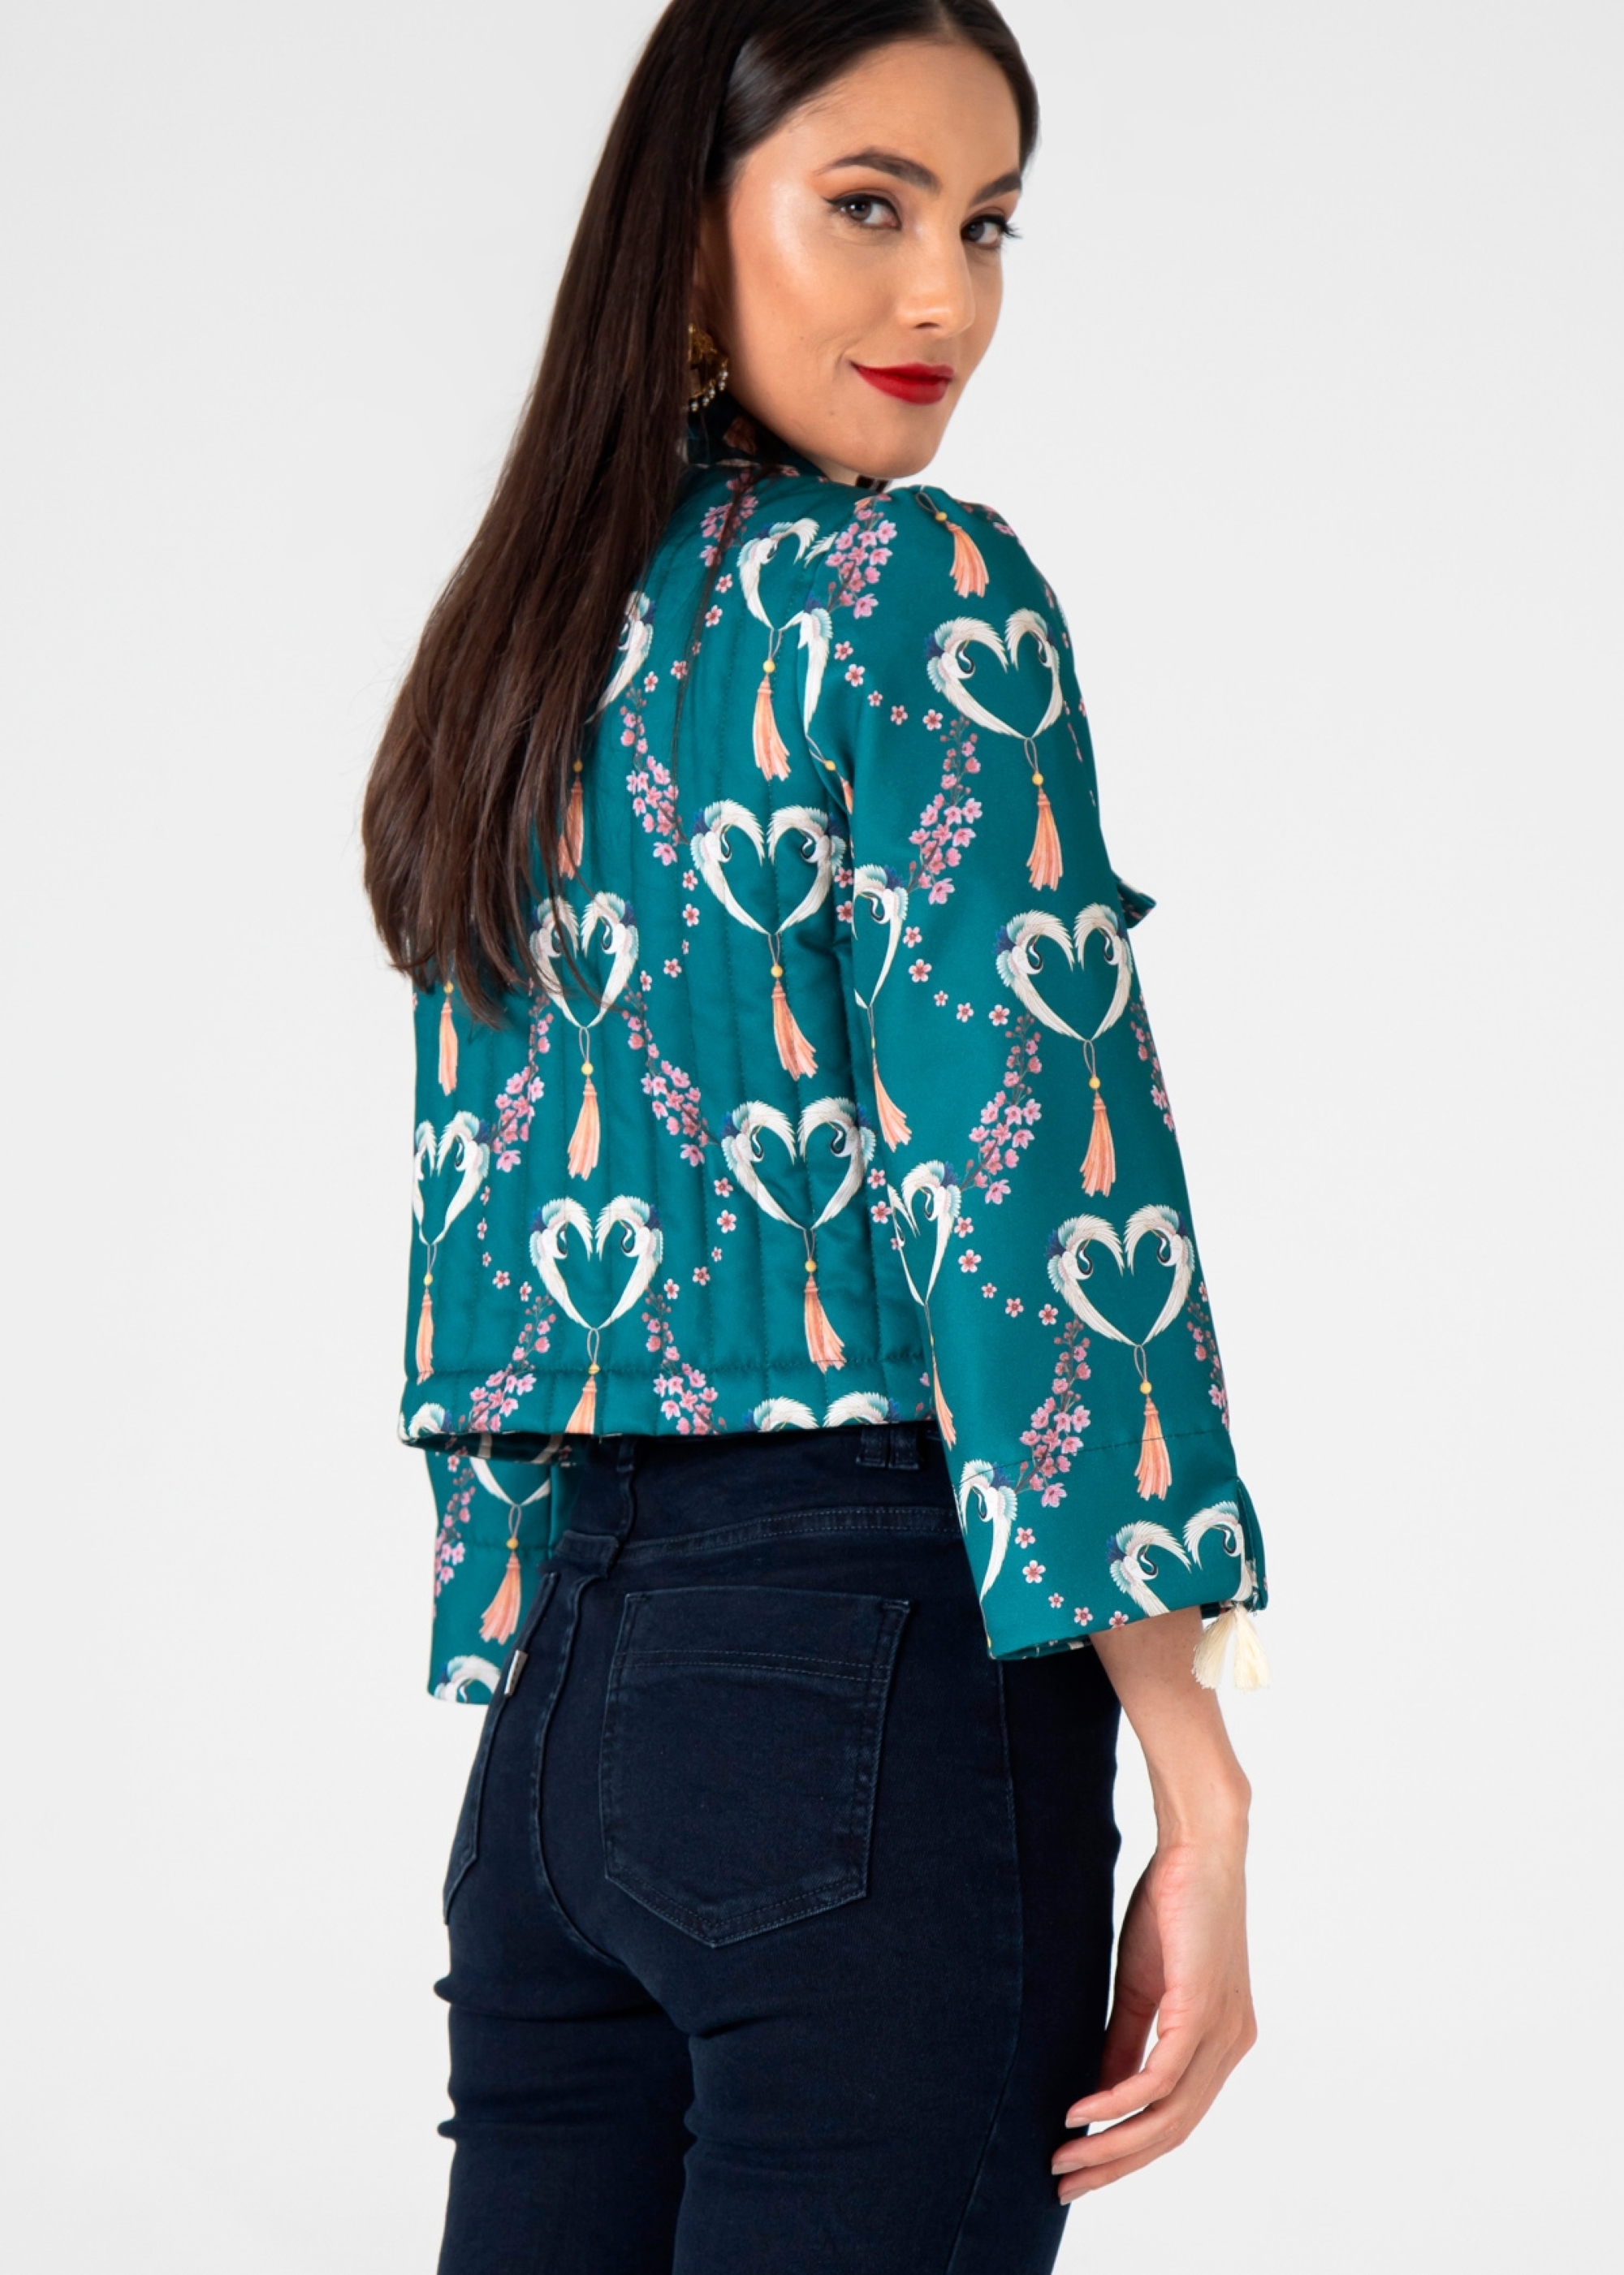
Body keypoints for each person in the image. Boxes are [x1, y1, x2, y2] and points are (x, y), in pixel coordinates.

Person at [363, 3, 1265, 2268]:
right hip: (869, 1692)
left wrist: (550, 1652)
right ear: (687, 231)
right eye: (869, 205)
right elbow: (1033, 1184)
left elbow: (487, 1221)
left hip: (558, 1729)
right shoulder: (916, 590)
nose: (941, 295)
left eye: (987, 225)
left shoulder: (516, 659)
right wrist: (1203, 1782)